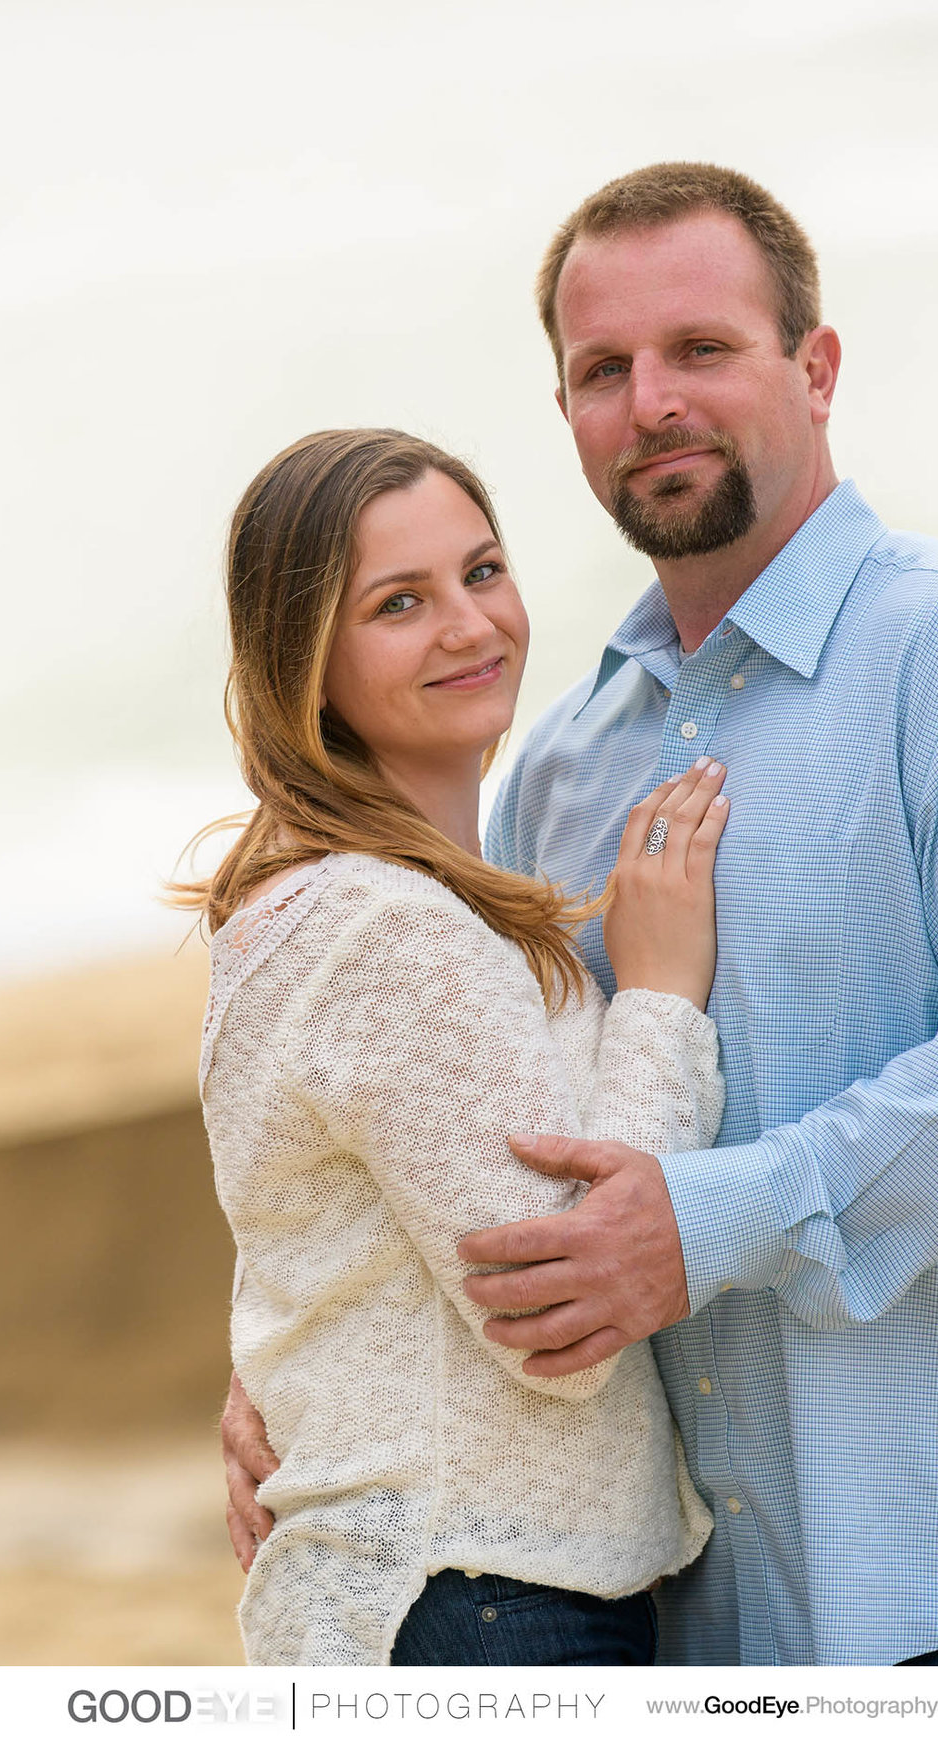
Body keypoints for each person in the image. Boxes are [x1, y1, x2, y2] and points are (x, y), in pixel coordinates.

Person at [221, 163, 938, 1668]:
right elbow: (490, 1138)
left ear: (816, 367)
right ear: (568, 417)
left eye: (702, 350)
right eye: (605, 369)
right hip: (701, 1622)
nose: (652, 400)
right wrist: (305, 1363)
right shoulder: (554, 773)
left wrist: (708, 1223)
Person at [184, 427, 738, 1666]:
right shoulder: (381, 925)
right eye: (398, 603)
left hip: (452, 1586)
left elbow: (313, 1221)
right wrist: (658, 992)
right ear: (305, 663)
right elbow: (562, 1323)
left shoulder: (331, 905)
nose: (467, 625)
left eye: (481, 571)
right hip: (477, 1596)